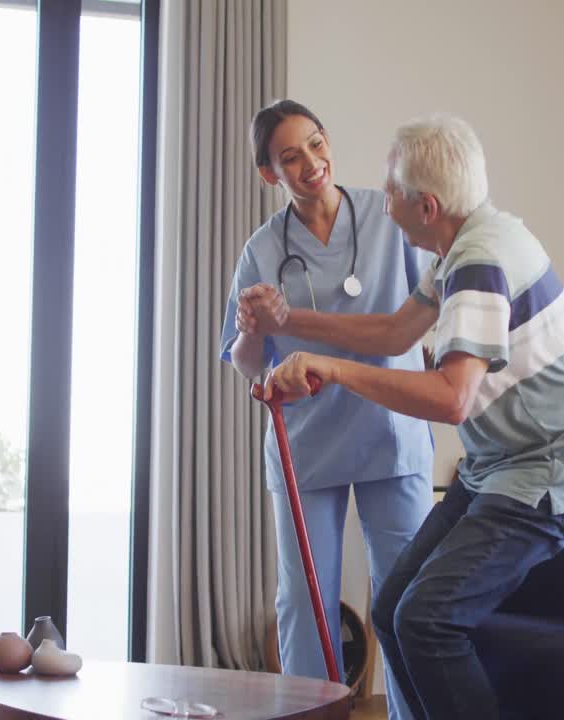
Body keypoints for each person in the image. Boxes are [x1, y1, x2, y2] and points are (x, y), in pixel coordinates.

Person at [244, 113, 564, 719]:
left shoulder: (479, 263)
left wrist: (335, 369)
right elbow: (394, 331)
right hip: (498, 463)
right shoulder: (460, 247)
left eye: (392, 192)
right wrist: (292, 329)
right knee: (394, 606)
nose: (382, 201)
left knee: (426, 620)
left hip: (549, 467)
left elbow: (451, 399)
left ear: (426, 205)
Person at [219, 99, 434, 720]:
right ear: (270, 174)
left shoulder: (389, 217)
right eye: (291, 156)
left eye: (316, 145)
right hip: (307, 445)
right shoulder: (263, 249)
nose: (311, 163)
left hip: (390, 434)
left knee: (405, 599)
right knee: (305, 604)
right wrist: (252, 327)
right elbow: (248, 363)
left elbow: (427, 315)